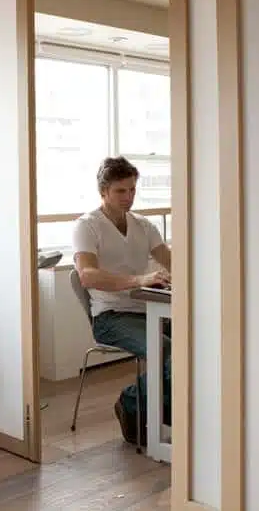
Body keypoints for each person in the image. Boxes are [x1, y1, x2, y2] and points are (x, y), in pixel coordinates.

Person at [72, 156, 171, 445]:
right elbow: (87, 275)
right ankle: (131, 403)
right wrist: (139, 280)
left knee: (198, 345)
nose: (128, 197)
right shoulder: (87, 226)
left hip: (149, 309)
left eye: (132, 190)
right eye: (120, 191)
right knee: (167, 351)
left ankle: (162, 415)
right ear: (103, 191)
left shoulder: (144, 225)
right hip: (111, 316)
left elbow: (173, 263)